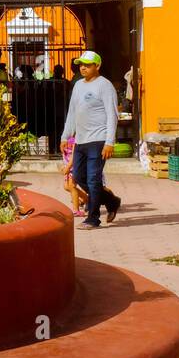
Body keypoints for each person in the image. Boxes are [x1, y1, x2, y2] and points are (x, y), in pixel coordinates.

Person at [61, 51, 122, 229]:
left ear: (97, 66)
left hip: (99, 139)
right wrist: (66, 135)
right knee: (79, 177)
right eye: (81, 64)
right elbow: (72, 112)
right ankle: (111, 201)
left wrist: (109, 142)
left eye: (87, 65)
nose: (83, 67)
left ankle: (93, 218)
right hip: (81, 140)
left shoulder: (105, 86)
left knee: (94, 179)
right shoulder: (78, 85)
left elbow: (113, 115)